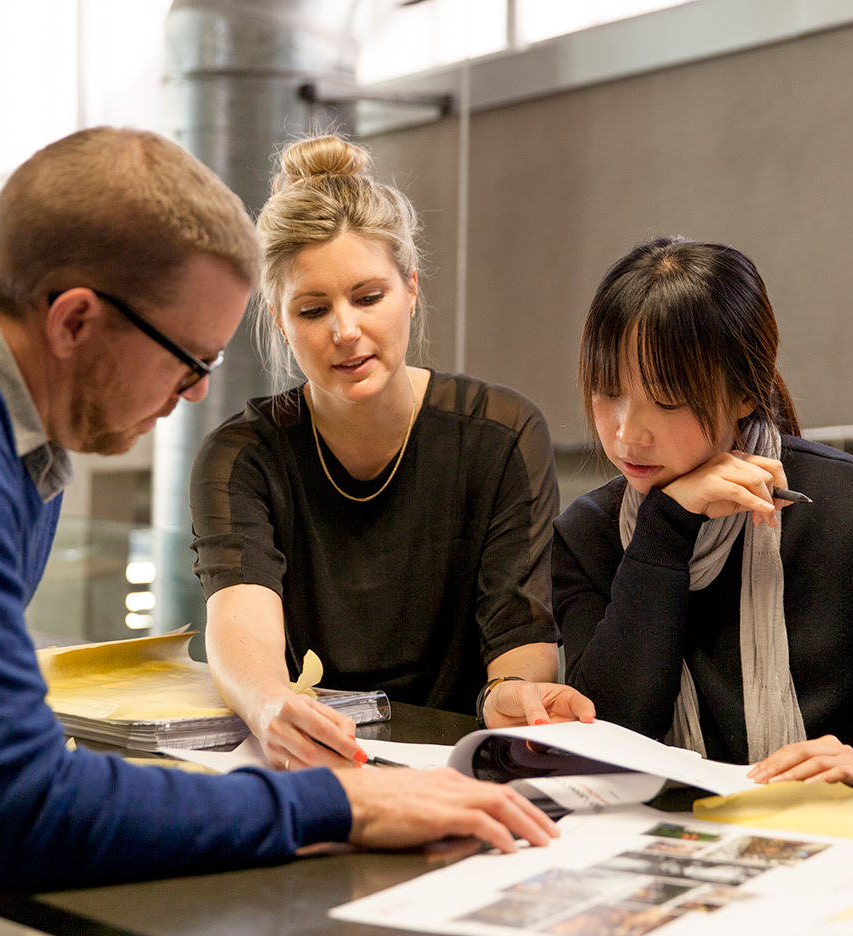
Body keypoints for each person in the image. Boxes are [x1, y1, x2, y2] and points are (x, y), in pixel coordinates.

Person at [0, 127, 569, 917]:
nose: (196, 392)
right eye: (189, 359)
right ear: (74, 322)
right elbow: (23, 810)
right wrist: (343, 803)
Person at [190, 133, 595, 773]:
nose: (345, 330)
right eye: (313, 309)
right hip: (310, 767)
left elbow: (519, 629)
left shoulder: (501, 433)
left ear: (411, 288)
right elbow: (240, 622)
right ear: (280, 322)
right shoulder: (242, 456)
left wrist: (513, 692)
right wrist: (270, 705)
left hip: (457, 770)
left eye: (368, 297)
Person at [552, 236, 853, 788]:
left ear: (743, 394)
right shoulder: (587, 535)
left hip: (842, 831)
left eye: (666, 400)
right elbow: (608, 737)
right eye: (607, 392)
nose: (626, 432)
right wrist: (666, 528)